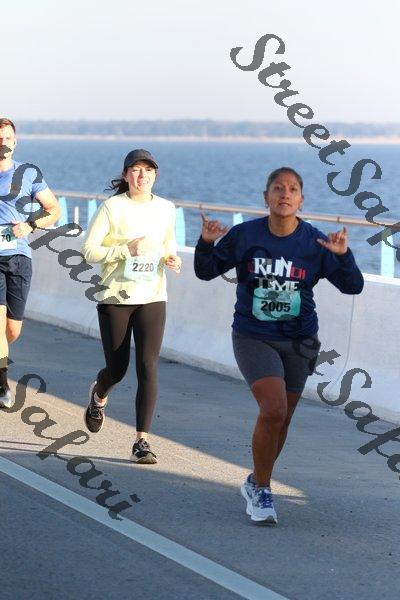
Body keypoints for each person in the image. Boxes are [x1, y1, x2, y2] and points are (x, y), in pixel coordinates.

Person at [194, 167, 364, 524]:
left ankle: (256, 480)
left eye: (292, 189)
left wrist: (343, 255)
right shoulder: (245, 235)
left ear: (301, 199)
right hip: (253, 336)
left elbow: (353, 286)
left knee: (282, 418)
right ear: (266, 197)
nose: (285, 194)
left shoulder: (315, 243)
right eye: (278, 188)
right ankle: (262, 490)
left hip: (301, 342)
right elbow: (205, 270)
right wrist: (206, 243)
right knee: (273, 410)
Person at [82, 149, 181, 464]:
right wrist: (125, 250)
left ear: (155, 175)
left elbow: (167, 244)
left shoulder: (166, 208)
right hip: (116, 297)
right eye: (136, 170)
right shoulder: (112, 208)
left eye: (148, 170)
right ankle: (99, 395)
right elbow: (89, 251)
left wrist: (171, 259)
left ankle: (142, 441)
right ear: (125, 175)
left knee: (148, 366)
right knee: (117, 369)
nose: (142, 175)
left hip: (152, 295)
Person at [0, 117, 61, 409]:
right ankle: (2, 386)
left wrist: (30, 225)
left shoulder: (27, 174)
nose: (3, 143)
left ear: (15, 142)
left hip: (19, 256)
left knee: (12, 330)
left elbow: (54, 210)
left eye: (7, 138)